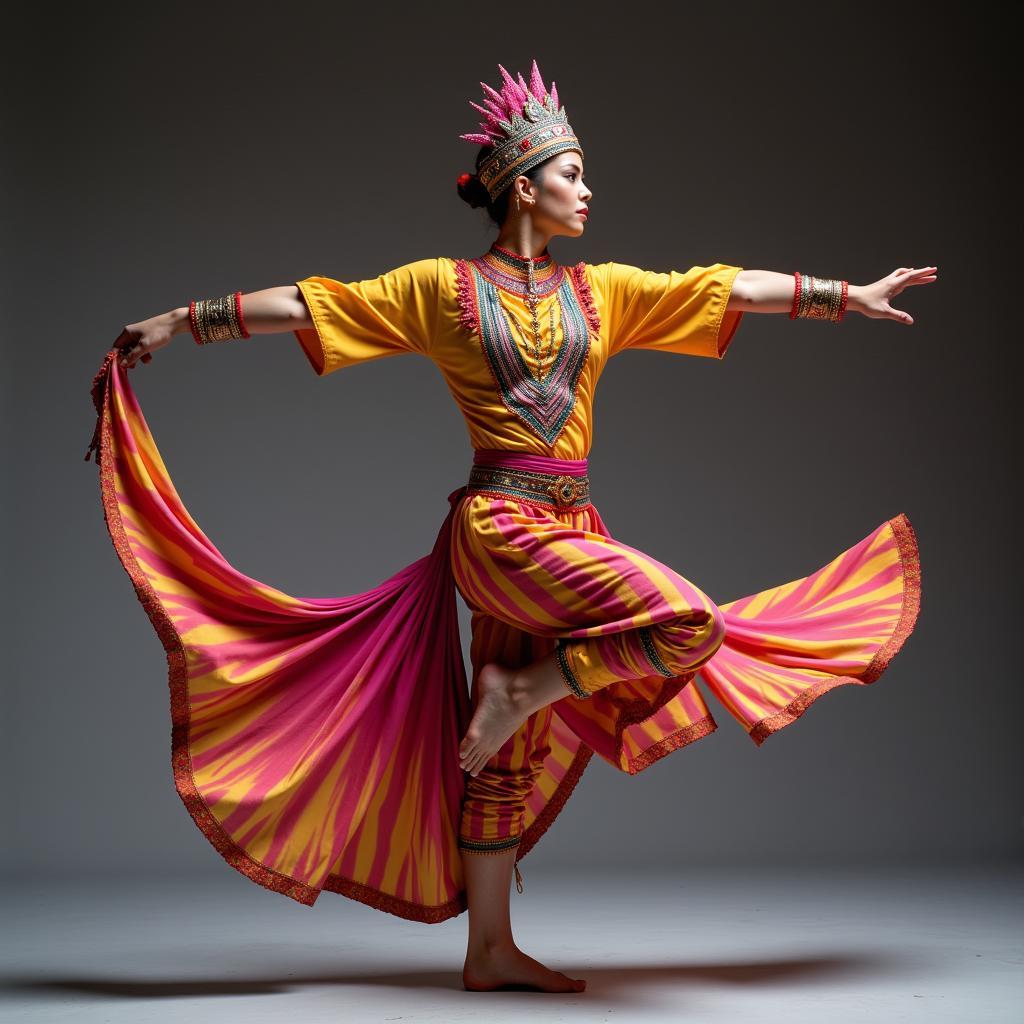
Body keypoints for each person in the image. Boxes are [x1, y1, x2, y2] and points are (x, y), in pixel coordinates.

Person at [89, 59, 929, 995]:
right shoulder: (433, 289)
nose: (589, 190)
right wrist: (176, 320)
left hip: (576, 528)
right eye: (574, 174)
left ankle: (489, 949)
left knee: (506, 760)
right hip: (499, 530)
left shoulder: (604, 291)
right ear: (523, 187)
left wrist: (847, 295)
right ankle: (522, 691)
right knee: (690, 624)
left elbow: (723, 288)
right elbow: (310, 304)